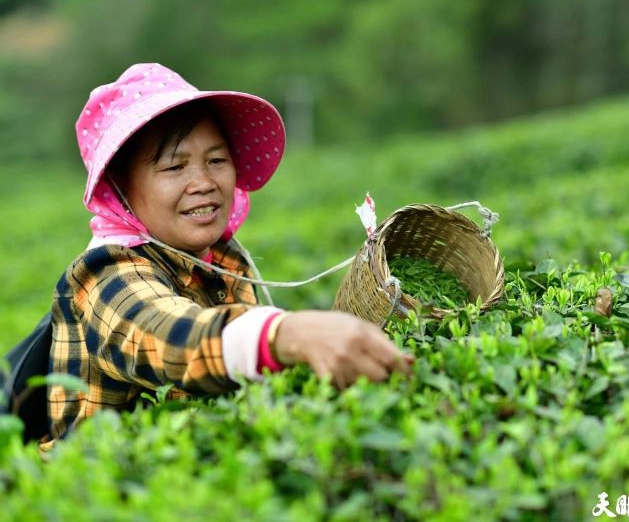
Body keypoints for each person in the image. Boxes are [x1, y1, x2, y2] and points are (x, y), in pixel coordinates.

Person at [44, 63, 412, 448]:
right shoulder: (104, 275)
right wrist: (286, 333)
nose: (204, 183)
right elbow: (170, 335)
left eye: (217, 161)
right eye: (174, 166)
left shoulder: (220, 257)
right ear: (121, 187)